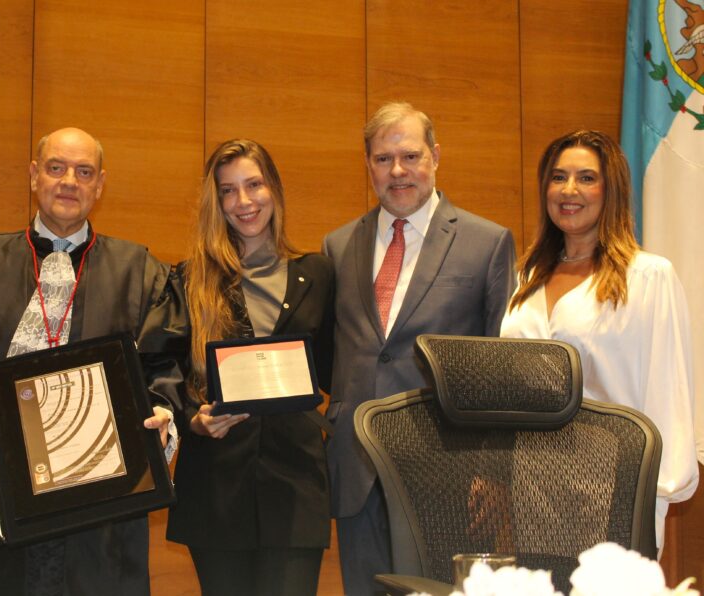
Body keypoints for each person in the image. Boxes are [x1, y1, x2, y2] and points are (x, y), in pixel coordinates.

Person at [0, 127, 179, 596]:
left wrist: (162, 410)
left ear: (101, 185)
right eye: (56, 168)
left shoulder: (140, 272)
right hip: (4, 500)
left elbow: (166, 366)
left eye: (84, 172)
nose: (69, 182)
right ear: (34, 175)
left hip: (103, 504)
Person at [322, 102, 516, 595]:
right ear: (368, 165)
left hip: (450, 474)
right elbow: (332, 357)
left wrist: (493, 472)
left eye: (410, 156)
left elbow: (500, 371)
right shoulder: (338, 246)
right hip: (357, 470)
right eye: (383, 159)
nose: (398, 171)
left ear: (436, 156)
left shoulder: (486, 243)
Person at [500, 129, 698, 550]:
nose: (569, 190)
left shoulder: (647, 277)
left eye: (586, 178)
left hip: (615, 486)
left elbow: (667, 390)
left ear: (612, 190)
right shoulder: (527, 278)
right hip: (531, 484)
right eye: (558, 177)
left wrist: (657, 492)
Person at [155, 139, 334, 595]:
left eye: (254, 185)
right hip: (215, 486)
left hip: (296, 485)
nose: (244, 201)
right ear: (216, 202)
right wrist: (192, 420)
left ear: (274, 189)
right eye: (228, 191)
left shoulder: (318, 273)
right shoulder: (189, 279)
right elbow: (164, 371)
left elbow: (336, 370)